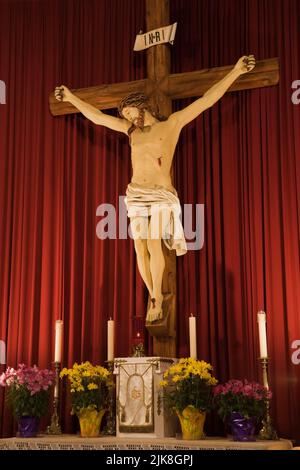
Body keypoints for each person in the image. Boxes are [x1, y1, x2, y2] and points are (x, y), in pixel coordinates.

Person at [54, 55, 255, 323]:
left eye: (129, 112)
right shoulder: (131, 133)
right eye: (124, 115)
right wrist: (71, 98)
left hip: (160, 194)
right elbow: (98, 118)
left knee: (152, 242)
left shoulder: (171, 124)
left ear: (141, 106)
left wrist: (236, 71)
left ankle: (157, 296)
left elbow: (206, 100)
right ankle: (153, 296)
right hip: (136, 195)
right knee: (139, 247)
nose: (127, 118)